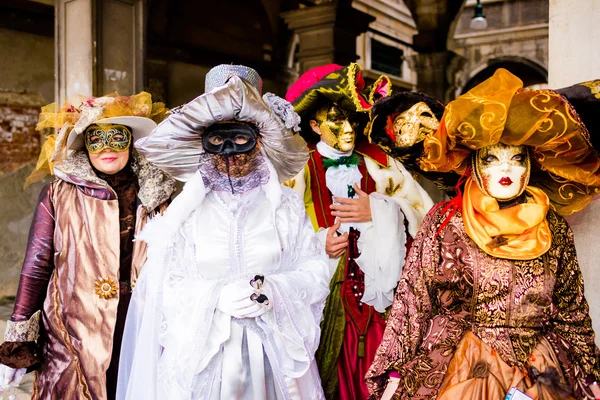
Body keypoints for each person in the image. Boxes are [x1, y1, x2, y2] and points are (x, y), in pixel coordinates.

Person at [366, 68, 600, 400]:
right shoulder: (444, 223)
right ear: (475, 164)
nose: (506, 170)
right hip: (459, 366)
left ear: (530, 165)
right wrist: (394, 368)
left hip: (543, 370)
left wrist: (589, 373)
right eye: (492, 159)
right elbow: (413, 302)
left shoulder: (552, 224)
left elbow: (570, 309)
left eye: (516, 159)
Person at [116, 65, 330, 400]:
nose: (229, 152)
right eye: (217, 140)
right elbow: (162, 286)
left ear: (259, 143)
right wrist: (215, 298)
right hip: (204, 363)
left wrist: (274, 290)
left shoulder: (284, 206)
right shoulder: (184, 214)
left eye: (240, 138)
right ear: (203, 145)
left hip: (273, 362)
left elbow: (314, 271)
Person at [0, 92, 176, 399]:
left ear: (130, 142)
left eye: (117, 137)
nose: (107, 147)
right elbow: (36, 265)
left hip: (139, 327)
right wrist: (19, 342)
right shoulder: (58, 193)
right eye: (97, 138)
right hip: (71, 333)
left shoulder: (157, 197)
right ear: (85, 143)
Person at [285, 63, 435, 399]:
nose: (348, 129)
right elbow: (276, 233)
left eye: (351, 119)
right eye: (335, 120)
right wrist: (317, 241)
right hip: (325, 290)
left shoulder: (382, 164)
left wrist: (382, 211)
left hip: (382, 293)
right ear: (314, 125)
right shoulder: (299, 171)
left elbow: (425, 220)